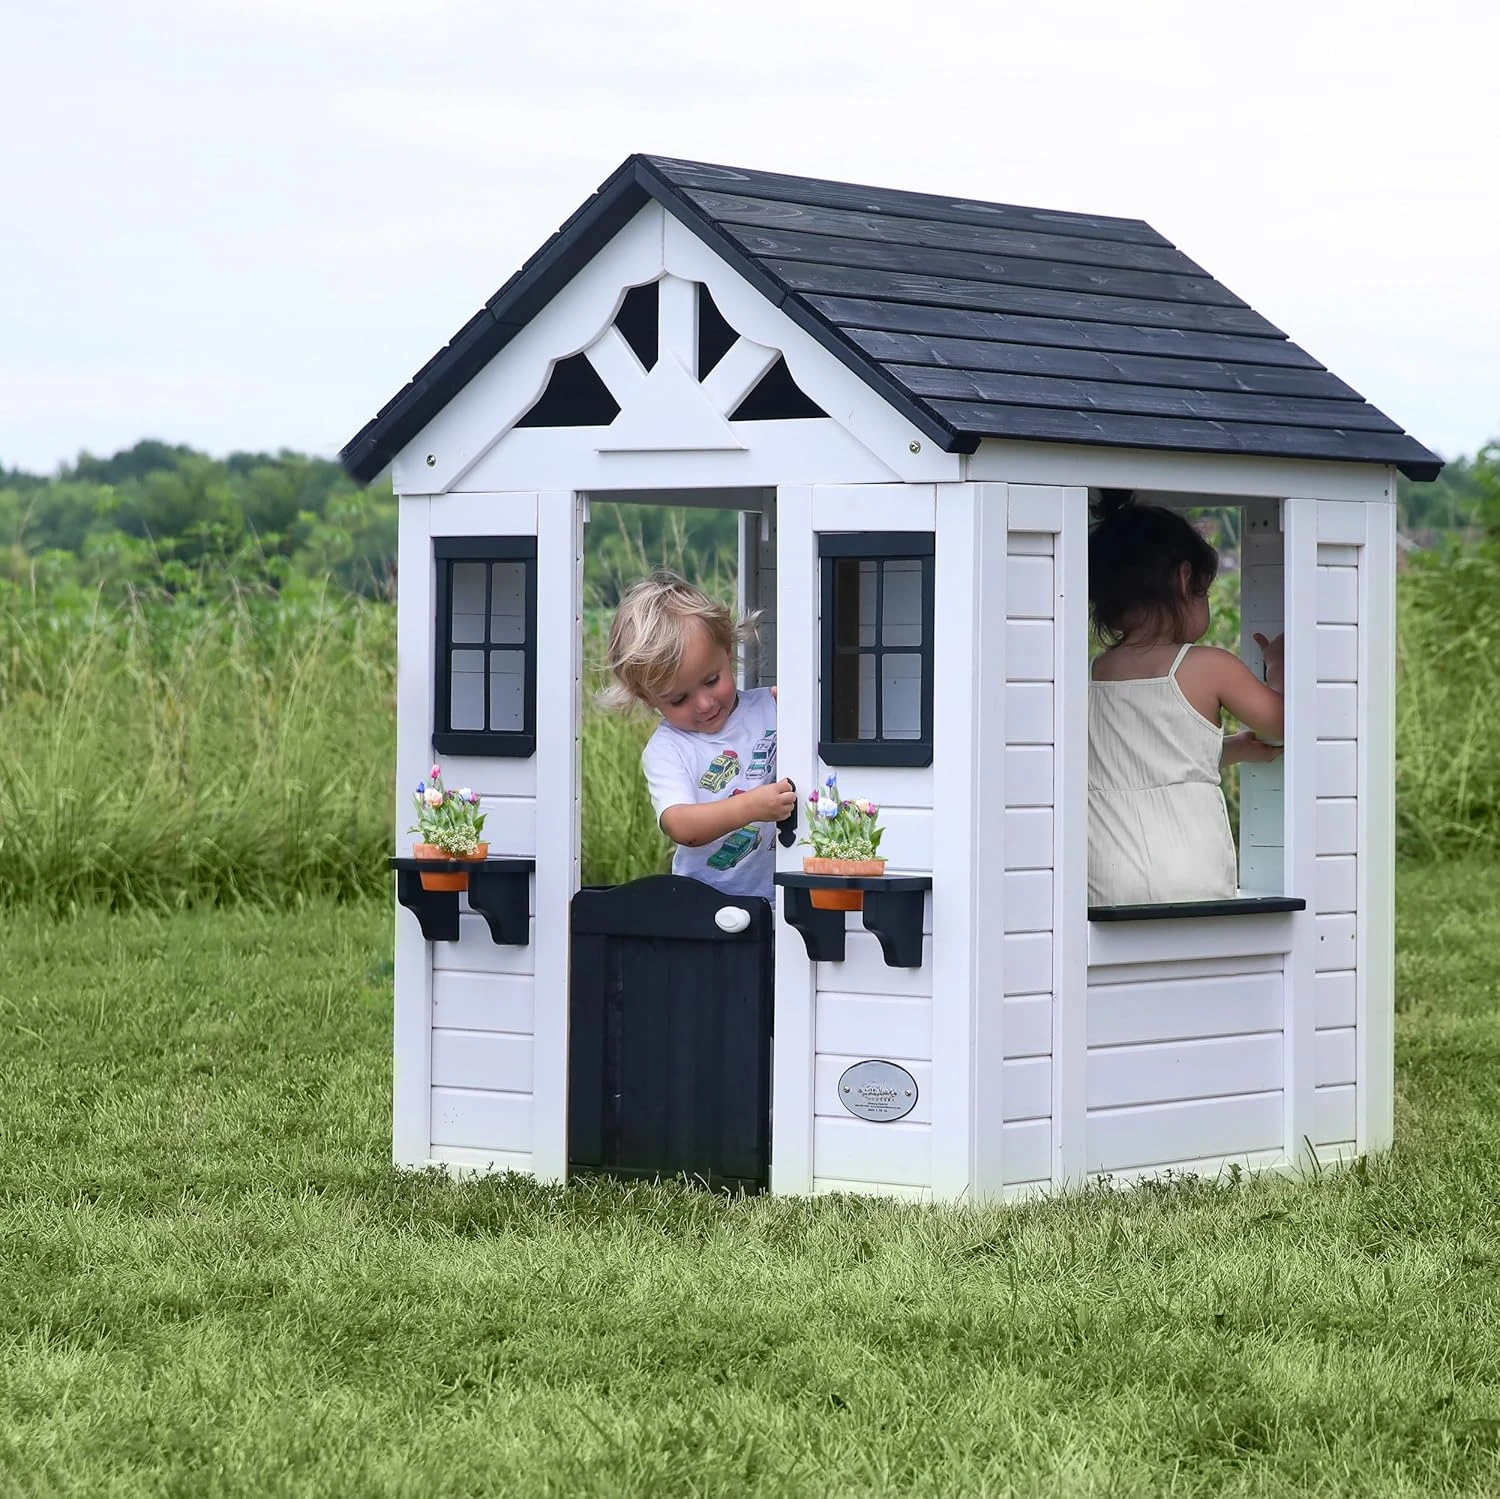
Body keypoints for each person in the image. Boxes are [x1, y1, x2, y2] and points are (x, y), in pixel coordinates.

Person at [1088, 490, 1285, 906]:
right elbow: (1283, 724)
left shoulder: (1091, 674)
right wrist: (1279, 667)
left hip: (1104, 870)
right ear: (1184, 579)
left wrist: (1230, 750)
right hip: (1189, 866)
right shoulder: (1206, 665)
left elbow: (1137, 758)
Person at [601, 570, 796, 901]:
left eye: (711, 680)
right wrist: (752, 806)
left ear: (728, 652)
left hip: (783, 899)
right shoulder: (668, 749)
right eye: (678, 699)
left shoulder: (773, 706)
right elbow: (682, 827)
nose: (705, 704)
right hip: (703, 907)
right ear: (648, 699)